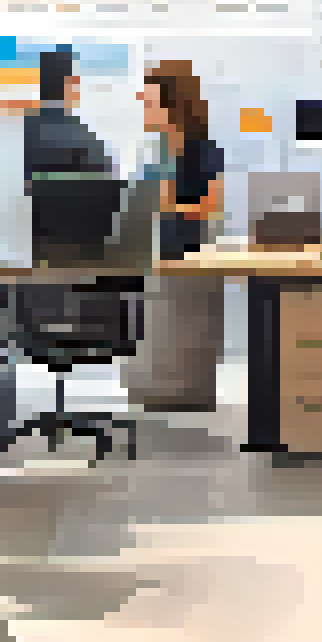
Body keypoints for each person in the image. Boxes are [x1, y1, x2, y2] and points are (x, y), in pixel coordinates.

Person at [125, 60, 229, 411]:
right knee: (149, 337)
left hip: (189, 258)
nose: (144, 108)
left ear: (173, 106)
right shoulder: (150, 150)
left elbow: (211, 206)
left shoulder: (202, 149)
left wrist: (166, 201)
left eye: (150, 102)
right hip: (150, 256)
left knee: (185, 340)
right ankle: (146, 395)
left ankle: (186, 400)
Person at [24, 47, 119, 265]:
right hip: (81, 254)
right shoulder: (87, 140)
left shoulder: (14, 134)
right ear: (70, 84)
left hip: (23, 253)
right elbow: (109, 201)